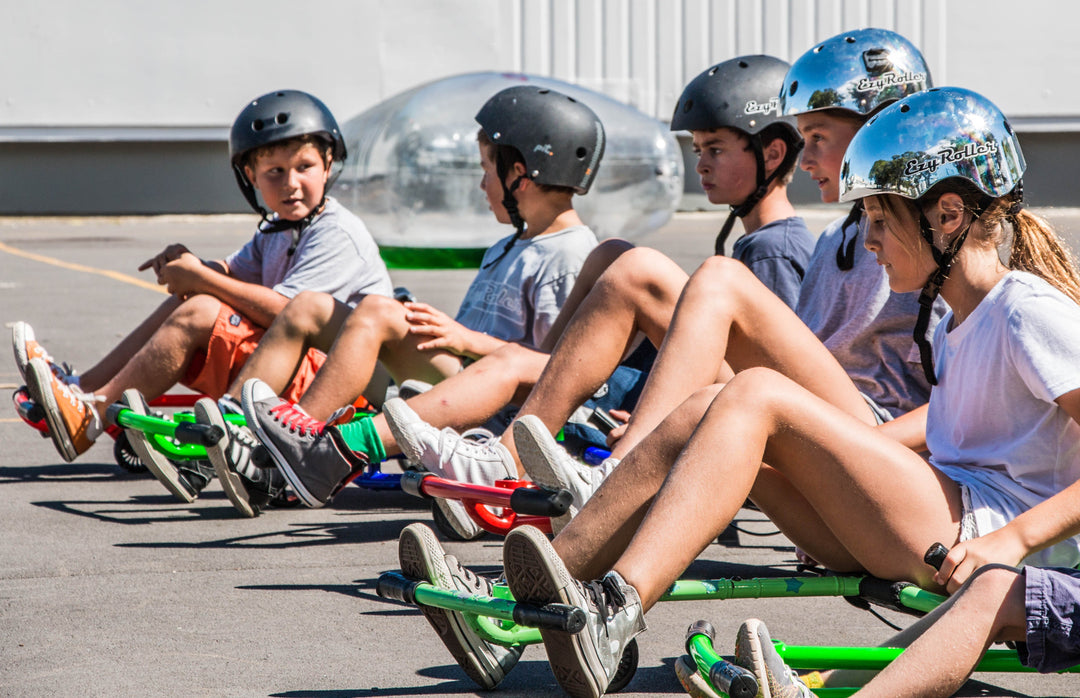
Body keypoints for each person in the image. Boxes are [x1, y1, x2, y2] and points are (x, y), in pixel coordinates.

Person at [499, 85, 1080, 698]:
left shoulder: (1026, 309)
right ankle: (521, 606)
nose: (871, 240)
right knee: (705, 409)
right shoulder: (961, 321)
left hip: (985, 537)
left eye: (881, 219)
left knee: (757, 394)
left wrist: (1013, 540)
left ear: (950, 216)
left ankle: (617, 609)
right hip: (942, 525)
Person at [390, 27, 942, 540]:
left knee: (697, 278)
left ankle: (613, 470)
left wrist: (873, 443)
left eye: (819, 137)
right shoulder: (836, 241)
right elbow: (806, 367)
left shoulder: (930, 240)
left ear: (883, 130)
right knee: (630, 268)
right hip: (817, 428)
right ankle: (518, 459)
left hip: (875, 453)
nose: (808, 158)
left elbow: (965, 404)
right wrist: (677, 409)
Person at [238, 55, 815, 540]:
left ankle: (331, 449)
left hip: (716, 427)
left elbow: (766, 378)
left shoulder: (769, 253)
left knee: (578, 300)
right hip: (629, 402)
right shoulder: (754, 248)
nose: (701, 165)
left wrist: (651, 413)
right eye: (699, 150)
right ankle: (302, 447)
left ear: (770, 155)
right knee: (611, 259)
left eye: (715, 149)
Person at [229, 85, 604, 511]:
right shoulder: (510, 245)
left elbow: (558, 372)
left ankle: (303, 451)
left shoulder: (569, 253)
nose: (482, 184)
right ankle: (258, 435)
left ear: (520, 173)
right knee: (316, 305)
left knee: (376, 311)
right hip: (465, 380)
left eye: (486, 169)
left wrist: (465, 340)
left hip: (500, 409)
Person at [18, 90, 392, 507]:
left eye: (304, 167)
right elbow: (230, 274)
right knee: (192, 296)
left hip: (337, 388)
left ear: (327, 164)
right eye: (274, 172)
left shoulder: (336, 233)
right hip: (288, 365)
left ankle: (90, 414)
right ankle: (83, 391)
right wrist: (190, 266)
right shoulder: (278, 230)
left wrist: (200, 279)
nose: (291, 184)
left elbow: (287, 312)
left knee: (200, 308)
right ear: (250, 176)